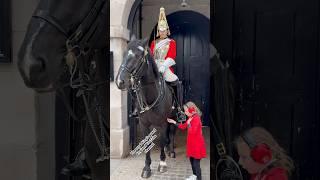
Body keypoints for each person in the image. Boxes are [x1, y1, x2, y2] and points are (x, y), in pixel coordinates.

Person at [167, 101, 207, 180]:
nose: (185, 112)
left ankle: (199, 178)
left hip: (197, 146)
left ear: (191, 109)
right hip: (192, 145)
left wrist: (189, 123)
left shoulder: (196, 118)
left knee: (196, 164)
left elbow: (192, 132)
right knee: (192, 162)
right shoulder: (191, 117)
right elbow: (183, 127)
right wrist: (174, 122)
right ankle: (194, 176)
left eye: (186, 110)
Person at [150, 7, 181, 105]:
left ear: (167, 31)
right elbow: (151, 56)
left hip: (165, 67)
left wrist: (163, 66)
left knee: (175, 81)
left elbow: (172, 56)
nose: (162, 32)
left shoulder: (171, 42)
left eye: (164, 30)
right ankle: (138, 107)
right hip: (154, 66)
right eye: (160, 30)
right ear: (158, 31)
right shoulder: (153, 43)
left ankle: (177, 106)